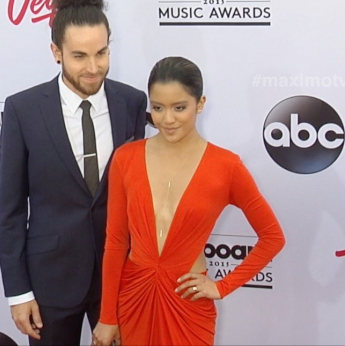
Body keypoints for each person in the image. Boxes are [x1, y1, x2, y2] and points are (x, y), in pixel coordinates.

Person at [0, 0, 148, 346]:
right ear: (56, 52)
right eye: (79, 55)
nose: (93, 67)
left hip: (116, 280)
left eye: (102, 52)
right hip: (49, 282)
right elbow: (11, 211)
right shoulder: (23, 110)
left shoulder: (132, 103)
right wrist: (18, 293)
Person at [92, 57, 286, 345]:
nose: (167, 119)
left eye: (179, 107)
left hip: (187, 305)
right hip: (133, 298)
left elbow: (273, 237)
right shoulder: (125, 158)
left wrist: (222, 286)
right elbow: (116, 242)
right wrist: (107, 316)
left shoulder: (226, 166)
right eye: (158, 108)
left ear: (201, 103)